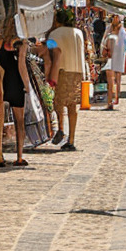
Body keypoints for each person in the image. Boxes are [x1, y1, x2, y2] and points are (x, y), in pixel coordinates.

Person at [0, 18, 30, 167]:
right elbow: (21, 66)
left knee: (0, 122)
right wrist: (27, 86)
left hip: (1, 83)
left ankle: (0, 156)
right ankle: (19, 157)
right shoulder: (22, 44)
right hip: (16, 84)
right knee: (19, 122)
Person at [46, 8, 86, 150]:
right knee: (72, 107)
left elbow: (51, 51)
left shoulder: (54, 34)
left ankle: (61, 128)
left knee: (58, 102)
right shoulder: (78, 33)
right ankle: (72, 138)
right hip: (76, 71)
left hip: (61, 71)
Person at [101, 15, 126, 110]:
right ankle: (110, 101)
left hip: (118, 57)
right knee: (110, 80)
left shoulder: (122, 31)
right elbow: (103, 42)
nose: (115, 18)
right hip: (110, 58)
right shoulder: (108, 29)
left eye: (117, 17)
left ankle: (116, 98)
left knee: (117, 79)